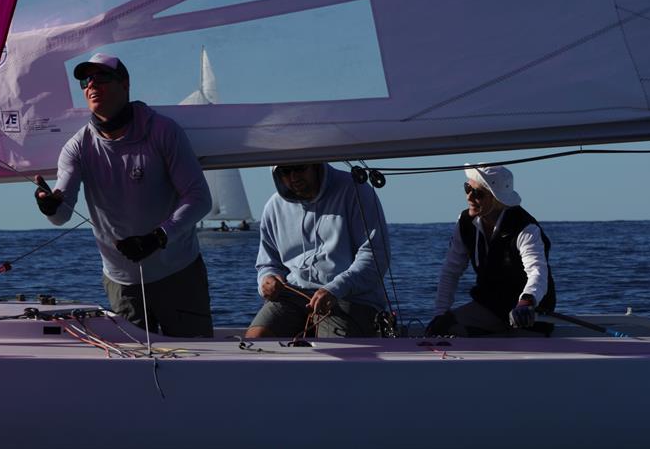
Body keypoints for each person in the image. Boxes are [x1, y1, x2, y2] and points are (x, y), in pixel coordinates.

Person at [33, 53, 214, 337]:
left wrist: (158, 238)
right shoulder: (77, 147)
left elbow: (199, 198)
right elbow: (62, 214)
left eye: (101, 77)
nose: (92, 84)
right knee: (135, 372)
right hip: (122, 284)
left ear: (125, 84)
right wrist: (50, 206)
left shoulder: (162, 132)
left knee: (197, 362)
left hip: (178, 273)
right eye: (85, 80)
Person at [246, 163, 390, 338]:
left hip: (349, 297)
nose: (293, 177)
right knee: (256, 340)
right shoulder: (273, 206)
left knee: (333, 352)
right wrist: (266, 280)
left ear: (316, 165)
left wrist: (335, 289)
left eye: (299, 168)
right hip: (293, 295)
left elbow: (375, 256)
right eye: (285, 171)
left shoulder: (356, 191)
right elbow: (268, 263)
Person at [427, 164, 555, 337]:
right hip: (489, 307)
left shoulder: (525, 228)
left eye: (478, 193)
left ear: (497, 200)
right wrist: (440, 314)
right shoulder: (464, 223)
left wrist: (527, 302)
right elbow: (451, 271)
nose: (469, 197)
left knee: (523, 344)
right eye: (467, 188)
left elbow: (537, 273)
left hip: (528, 314)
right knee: (442, 327)